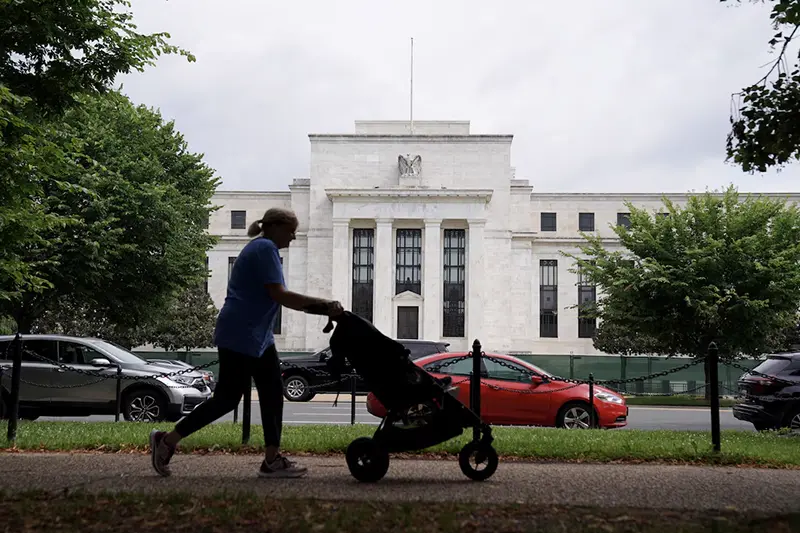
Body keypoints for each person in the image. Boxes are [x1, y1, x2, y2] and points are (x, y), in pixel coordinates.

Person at [149, 207, 344, 478]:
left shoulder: (263, 249)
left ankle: (272, 460)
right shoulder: (264, 248)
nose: (294, 238)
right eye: (291, 231)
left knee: (273, 392)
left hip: (256, 336)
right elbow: (280, 295)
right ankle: (167, 441)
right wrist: (323, 306)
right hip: (242, 333)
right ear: (275, 227)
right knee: (228, 399)